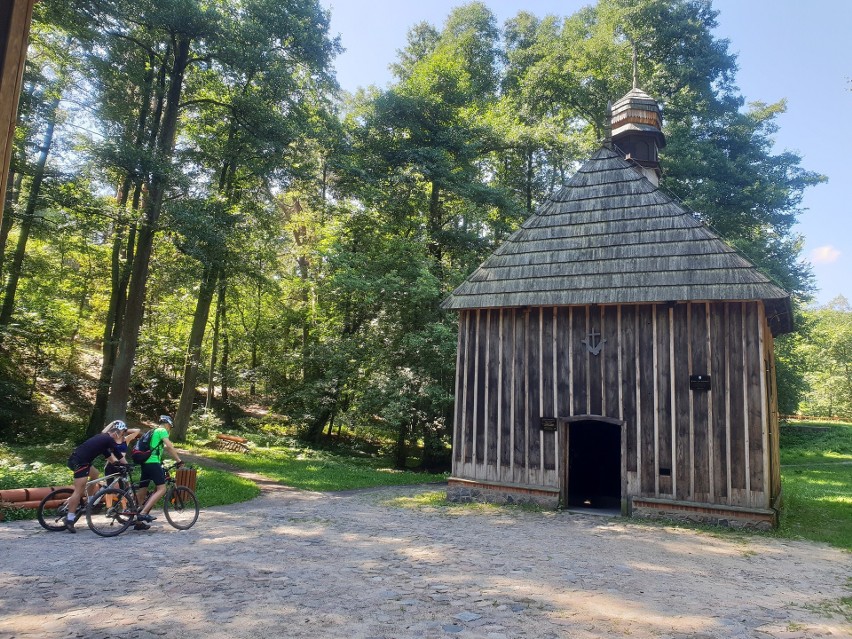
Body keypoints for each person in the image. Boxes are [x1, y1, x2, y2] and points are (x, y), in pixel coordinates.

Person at [65, 426, 126, 533]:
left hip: (81, 460)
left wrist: (116, 465)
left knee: (95, 474)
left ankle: (90, 500)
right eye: (120, 434)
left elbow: (110, 457)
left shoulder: (102, 439)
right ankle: (70, 519)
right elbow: (117, 454)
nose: (119, 437)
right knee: (79, 491)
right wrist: (127, 465)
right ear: (115, 433)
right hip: (80, 463)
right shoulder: (108, 439)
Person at [135, 415, 183, 531]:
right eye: (170, 427)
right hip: (152, 463)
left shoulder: (153, 431)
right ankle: (144, 512)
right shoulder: (162, 430)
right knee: (162, 489)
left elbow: (156, 449)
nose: (169, 430)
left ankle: (137, 521)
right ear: (168, 424)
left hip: (145, 463)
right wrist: (178, 460)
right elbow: (169, 447)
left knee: (142, 490)